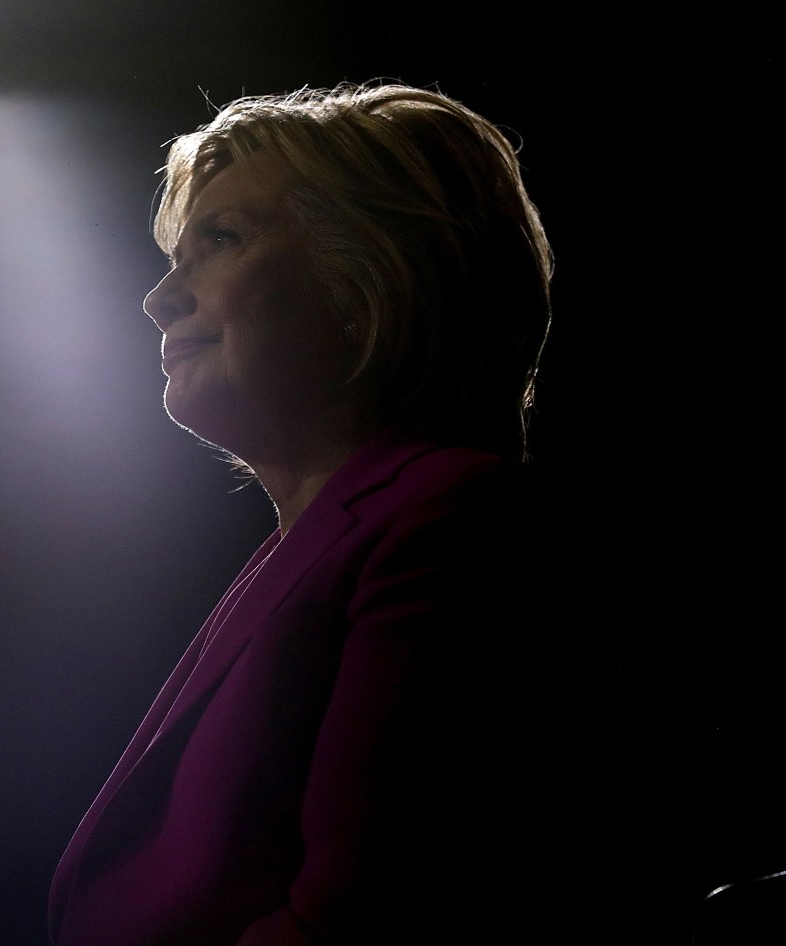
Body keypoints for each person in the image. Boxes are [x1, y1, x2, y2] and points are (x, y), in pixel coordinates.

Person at [48, 82, 608, 945]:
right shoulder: (318, 541)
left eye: (221, 241)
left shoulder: (452, 520)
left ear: (373, 276)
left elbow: (359, 918)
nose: (161, 300)